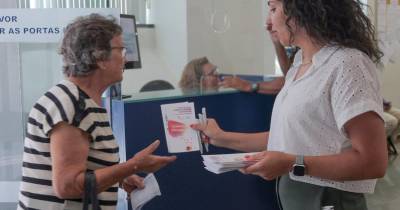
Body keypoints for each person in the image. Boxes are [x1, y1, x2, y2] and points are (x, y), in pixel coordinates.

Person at [193, 0, 387, 209]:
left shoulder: (347, 64)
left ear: (301, 9)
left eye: (273, 9)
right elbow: (288, 137)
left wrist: (292, 163)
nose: (268, 21)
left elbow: (372, 162)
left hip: (329, 199)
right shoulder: (298, 66)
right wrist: (221, 138)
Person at [18, 14, 176, 210]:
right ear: (100, 57)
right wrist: (134, 165)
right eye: (121, 50)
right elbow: (67, 185)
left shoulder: (87, 103)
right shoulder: (71, 103)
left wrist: (119, 177)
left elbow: (85, 169)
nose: (125, 59)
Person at [219, 11, 297, 94]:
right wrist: (277, 42)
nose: (267, 23)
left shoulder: (308, 55)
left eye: (274, 9)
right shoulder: (299, 55)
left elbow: (290, 80)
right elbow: (290, 75)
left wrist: (248, 85)